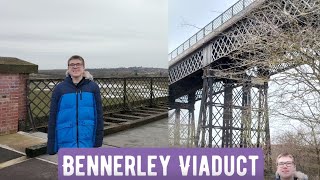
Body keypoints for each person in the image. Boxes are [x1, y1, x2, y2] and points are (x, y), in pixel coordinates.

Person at [47, 55, 104, 155]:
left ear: (83, 68)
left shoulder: (93, 87)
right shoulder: (60, 89)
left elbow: (98, 115)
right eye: (72, 65)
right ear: (68, 68)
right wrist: (51, 145)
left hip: (87, 139)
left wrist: (98, 139)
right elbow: (53, 117)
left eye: (78, 64)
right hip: (65, 139)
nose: (75, 67)